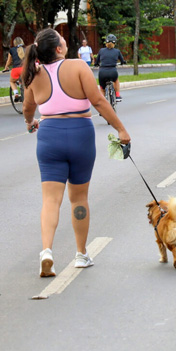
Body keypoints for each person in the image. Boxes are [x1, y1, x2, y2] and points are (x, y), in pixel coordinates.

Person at [22, 28, 130, 277]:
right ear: (59, 49)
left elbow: (29, 108)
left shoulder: (33, 73)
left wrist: (30, 123)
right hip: (80, 133)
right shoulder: (78, 66)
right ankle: (81, 254)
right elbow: (99, 102)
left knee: (50, 200)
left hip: (49, 135)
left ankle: (47, 251)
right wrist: (121, 129)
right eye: (61, 39)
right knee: (79, 198)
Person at [94, 33, 127, 100]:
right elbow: (122, 61)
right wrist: (123, 63)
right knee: (116, 81)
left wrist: (96, 64)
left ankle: (103, 101)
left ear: (106, 42)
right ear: (115, 43)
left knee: (102, 88)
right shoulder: (117, 51)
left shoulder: (101, 50)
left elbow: (97, 62)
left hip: (102, 72)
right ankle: (117, 96)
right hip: (113, 72)